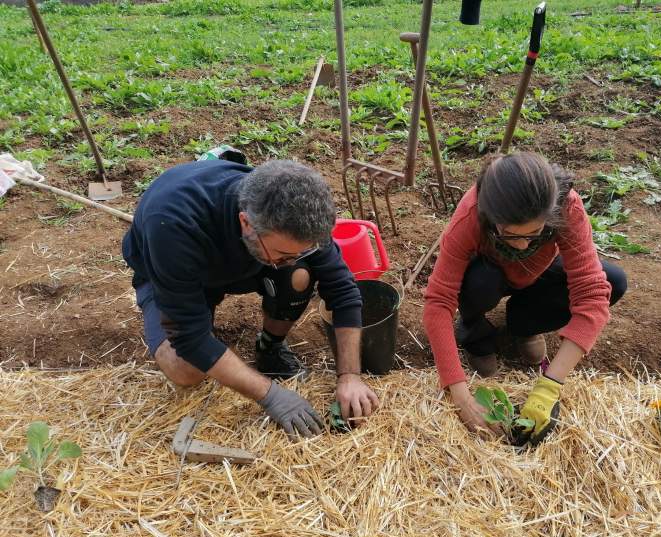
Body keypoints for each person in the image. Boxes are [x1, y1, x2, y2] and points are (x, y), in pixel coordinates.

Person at [122, 158, 379, 439]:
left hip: (243, 260)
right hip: (173, 272)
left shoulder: (298, 215)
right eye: (283, 254)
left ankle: (269, 349)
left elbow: (342, 289)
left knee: (299, 275)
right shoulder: (172, 223)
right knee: (187, 371)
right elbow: (190, 338)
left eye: (298, 252)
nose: (290, 259)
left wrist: (350, 376)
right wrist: (270, 396)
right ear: (246, 222)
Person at [423, 152, 627, 442]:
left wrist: (549, 387)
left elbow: (592, 294)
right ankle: (476, 333)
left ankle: (523, 326)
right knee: (482, 281)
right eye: (510, 235)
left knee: (614, 281)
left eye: (533, 233)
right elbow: (438, 302)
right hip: (490, 274)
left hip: (538, 270)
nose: (521, 244)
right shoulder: (470, 215)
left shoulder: (566, 207)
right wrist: (459, 392)